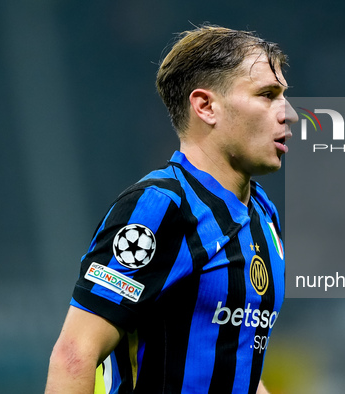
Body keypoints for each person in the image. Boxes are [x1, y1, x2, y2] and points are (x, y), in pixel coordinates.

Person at [45, 25, 298, 394]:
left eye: (283, 96)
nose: (289, 113)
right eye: (267, 94)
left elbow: (233, 367)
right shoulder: (161, 207)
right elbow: (73, 357)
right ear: (206, 106)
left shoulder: (263, 214)